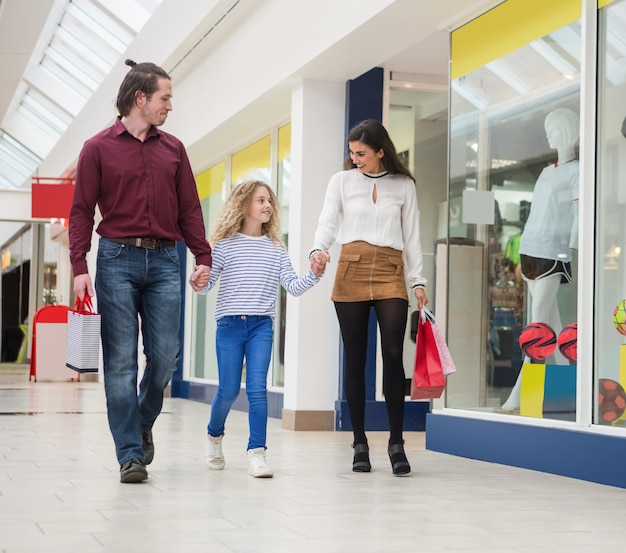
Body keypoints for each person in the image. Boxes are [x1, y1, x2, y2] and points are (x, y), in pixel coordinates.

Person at [69, 59, 212, 483]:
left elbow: (189, 207)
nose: (171, 105)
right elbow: (80, 211)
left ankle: (141, 421)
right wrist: (79, 264)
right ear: (140, 98)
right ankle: (129, 454)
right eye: (165, 97)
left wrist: (202, 257)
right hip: (115, 259)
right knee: (120, 363)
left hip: (168, 259)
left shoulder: (174, 149)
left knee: (165, 357)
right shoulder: (97, 148)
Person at [309, 119, 428, 476]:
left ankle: (396, 442)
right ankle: (359, 442)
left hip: (391, 269)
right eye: (351, 152)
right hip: (351, 268)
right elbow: (327, 222)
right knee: (356, 356)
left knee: (393, 354)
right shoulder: (341, 182)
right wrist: (318, 249)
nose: (354, 158)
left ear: (380, 151)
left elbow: (412, 235)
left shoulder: (403, 185)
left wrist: (417, 279)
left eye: (361, 153)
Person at [200, 180, 324, 478]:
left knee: (257, 390)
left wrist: (314, 274)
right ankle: (214, 437)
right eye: (260, 200)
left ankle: (257, 452)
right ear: (243, 205)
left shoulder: (275, 248)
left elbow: (293, 287)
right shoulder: (224, 246)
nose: (267, 205)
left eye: (269, 200)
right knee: (228, 390)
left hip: (261, 327)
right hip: (229, 325)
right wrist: (198, 279)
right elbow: (206, 288)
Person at [502, 108, 579, 411]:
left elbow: (576, 216)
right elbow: (536, 214)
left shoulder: (577, 171)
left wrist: (574, 249)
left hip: (553, 253)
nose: (548, 135)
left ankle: (521, 392)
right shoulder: (548, 171)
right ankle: (570, 389)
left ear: (568, 130)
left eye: (553, 129)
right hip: (531, 249)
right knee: (554, 324)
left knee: (538, 327)